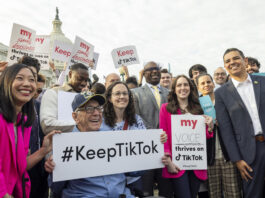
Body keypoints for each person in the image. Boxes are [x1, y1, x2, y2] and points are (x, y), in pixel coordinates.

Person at [45, 91, 135, 198]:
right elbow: (56, 189)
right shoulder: (65, 145)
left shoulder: (114, 137)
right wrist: (54, 170)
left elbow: (135, 172)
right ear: (75, 117)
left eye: (98, 108)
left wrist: (154, 158)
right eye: (89, 109)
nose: (96, 113)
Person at [0, 64, 58, 198]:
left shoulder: (23, 122)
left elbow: (19, 166)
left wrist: (43, 150)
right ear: (5, 82)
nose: (27, 84)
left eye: (32, 80)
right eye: (19, 78)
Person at [101, 81, 167, 196]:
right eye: (117, 94)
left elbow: (147, 144)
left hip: (134, 181)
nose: (122, 97)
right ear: (110, 98)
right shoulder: (100, 122)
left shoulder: (137, 119)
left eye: (125, 93)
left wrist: (159, 139)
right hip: (110, 182)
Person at [215, 48, 265, 198]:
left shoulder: (262, 82)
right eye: (227, 61)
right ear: (225, 66)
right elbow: (225, 129)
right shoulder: (221, 93)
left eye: (235, 58)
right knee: (253, 194)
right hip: (249, 153)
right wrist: (237, 159)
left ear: (245, 61)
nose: (232, 63)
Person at [160, 75, 213, 198]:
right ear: (174, 89)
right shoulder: (165, 109)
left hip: (196, 163)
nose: (182, 88)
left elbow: (204, 137)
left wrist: (209, 127)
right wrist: (168, 161)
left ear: (190, 88)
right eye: (179, 85)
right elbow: (163, 137)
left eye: (185, 85)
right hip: (176, 164)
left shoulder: (198, 109)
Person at [196, 74, 242, 197]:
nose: (206, 85)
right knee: (213, 194)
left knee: (233, 192)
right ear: (198, 87)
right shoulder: (195, 107)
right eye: (202, 83)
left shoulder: (225, 100)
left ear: (213, 83)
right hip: (209, 158)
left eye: (208, 82)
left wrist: (223, 122)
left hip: (228, 155)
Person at [131, 61, 172, 197]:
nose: (154, 71)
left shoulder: (170, 93)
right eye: (150, 69)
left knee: (166, 191)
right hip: (146, 149)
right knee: (146, 192)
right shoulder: (134, 93)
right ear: (144, 73)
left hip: (167, 151)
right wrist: (155, 134)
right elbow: (135, 119)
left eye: (156, 69)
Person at [40, 63, 89, 135]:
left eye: (86, 80)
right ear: (70, 74)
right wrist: (82, 124)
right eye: (80, 79)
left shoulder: (87, 97)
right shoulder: (53, 93)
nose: (84, 83)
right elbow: (47, 125)